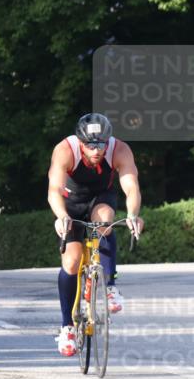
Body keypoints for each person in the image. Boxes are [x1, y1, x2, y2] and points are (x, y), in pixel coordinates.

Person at [47, 113, 144, 357]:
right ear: (80, 141)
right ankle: (67, 326)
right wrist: (61, 216)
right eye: (90, 145)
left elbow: (131, 186)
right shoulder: (65, 150)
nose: (96, 150)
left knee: (104, 222)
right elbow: (54, 189)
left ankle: (110, 285)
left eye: (101, 144)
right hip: (71, 202)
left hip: (101, 197)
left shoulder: (120, 150)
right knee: (71, 262)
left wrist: (132, 215)